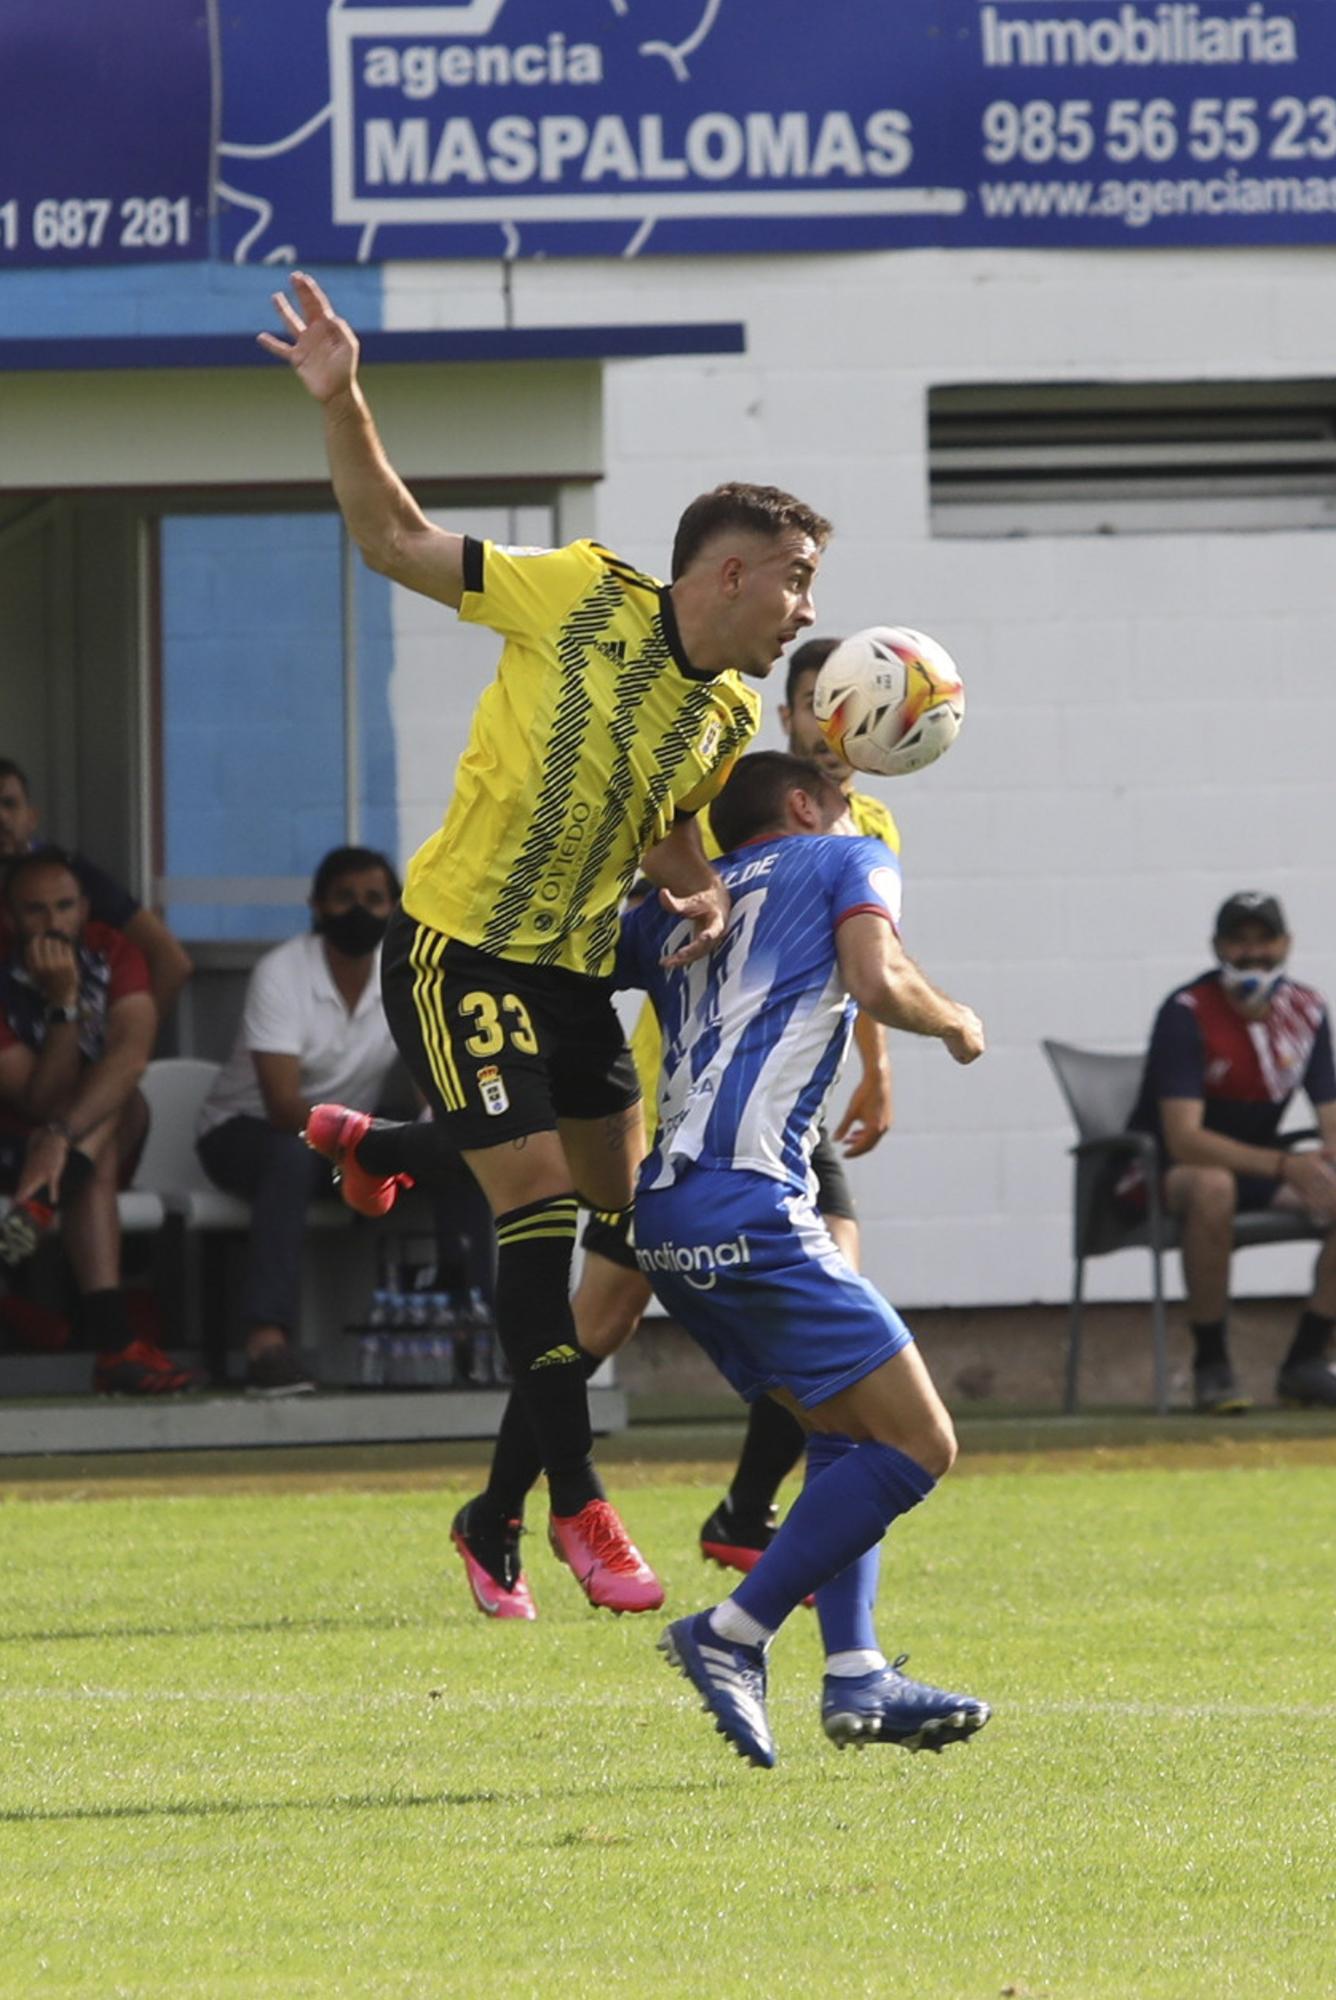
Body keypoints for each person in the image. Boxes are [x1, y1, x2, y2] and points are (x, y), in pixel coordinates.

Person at [260, 271, 829, 1612]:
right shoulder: (579, 592)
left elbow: (666, 838)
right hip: (457, 950)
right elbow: (396, 541)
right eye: (798, 582)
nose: (808, 610)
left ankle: (483, 1494)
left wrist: (704, 896)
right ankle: (582, 1501)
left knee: (624, 1253)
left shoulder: (724, 714)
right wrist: (344, 399)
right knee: (537, 1200)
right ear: (730, 571)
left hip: (575, 978)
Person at [448, 636, 907, 1620]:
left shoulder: (867, 825)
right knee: (597, 1324)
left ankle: (747, 1509)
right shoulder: (711, 813)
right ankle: (495, 1509)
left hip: (790, 1118)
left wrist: (876, 1063)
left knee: (836, 1293)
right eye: (823, 702)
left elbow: (864, 954)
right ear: (786, 715)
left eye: (862, 706)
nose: (841, 724)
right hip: (683, 1114)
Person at [630, 750, 990, 1767]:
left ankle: (855, 1668)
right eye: (840, 799)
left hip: (664, 1212)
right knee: (922, 1444)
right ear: (803, 806)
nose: (856, 812)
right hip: (751, 1203)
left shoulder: (678, 901)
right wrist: (955, 1020)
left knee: (842, 1431)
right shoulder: (845, 855)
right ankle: (732, 1631)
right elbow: (875, 977)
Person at [196, 847, 406, 1394]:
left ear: (396, 908)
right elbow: (283, 1105)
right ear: (316, 906)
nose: (358, 911)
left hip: (345, 1142)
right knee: (289, 1154)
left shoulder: (404, 974)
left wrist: (421, 1141)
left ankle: (486, 1336)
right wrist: (363, 1147)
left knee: (453, 1149)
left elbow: (437, 1076)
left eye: (374, 899)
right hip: (244, 1134)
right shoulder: (283, 970)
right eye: (343, 898)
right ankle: (267, 1345)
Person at [1121, 890, 1336, 1414]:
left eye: (1264, 941)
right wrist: (1288, 1165)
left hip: (1256, 1166)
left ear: (1285, 945)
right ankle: (1211, 1365)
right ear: (1218, 947)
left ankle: (1307, 1360)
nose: (1252, 953)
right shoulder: (1186, 1012)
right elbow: (1184, 1139)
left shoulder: (1306, 1011)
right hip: (1156, 1172)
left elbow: (1330, 1118)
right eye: (1239, 942)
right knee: (1213, 1184)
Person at [0, 850, 202, 1393]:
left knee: (123, 1096)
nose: (53, 923)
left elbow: (131, 1056)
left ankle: (44, 1197)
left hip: (58, 1144)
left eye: (65, 907)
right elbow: (36, 1099)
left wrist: (60, 1137)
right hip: (13, 1143)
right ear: (9, 915)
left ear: (87, 908)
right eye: (35, 910)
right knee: (108, 1128)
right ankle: (115, 1345)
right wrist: (62, 1003)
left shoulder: (114, 951)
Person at [0, 758, 193, 1029]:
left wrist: (127, 1043)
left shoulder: (68, 874)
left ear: (31, 818)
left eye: (9, 804)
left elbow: (172, 962)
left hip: (74, 1038)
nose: (1, 817)